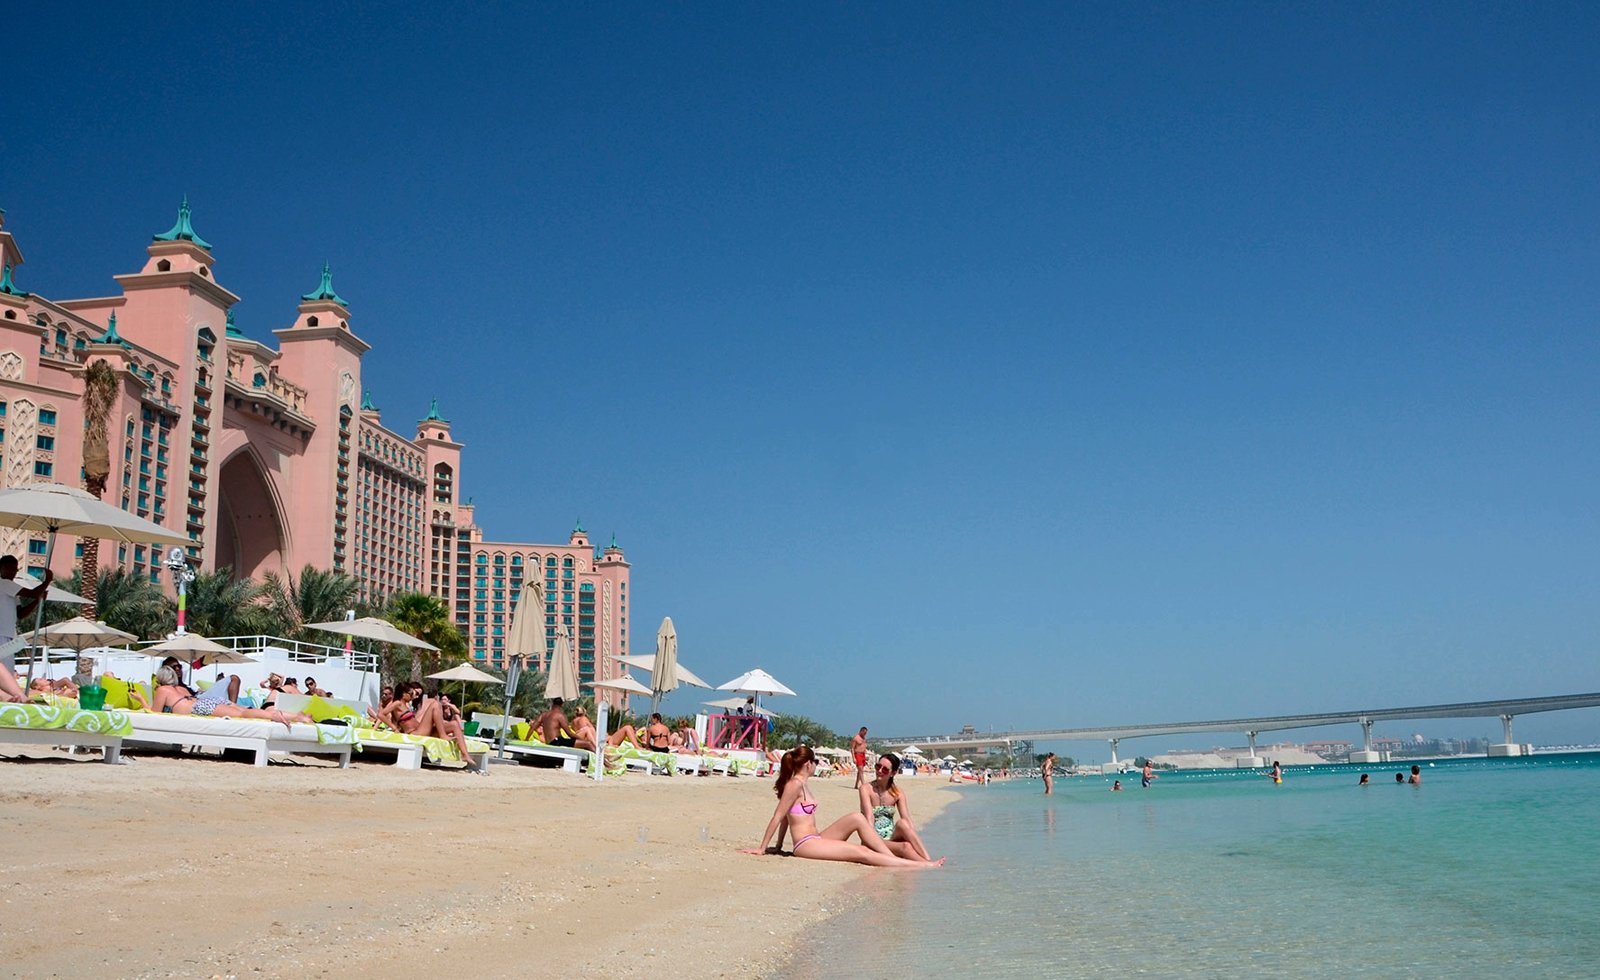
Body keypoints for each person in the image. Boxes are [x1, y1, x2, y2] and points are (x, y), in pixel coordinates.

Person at [743, 746, 942, 868]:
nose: (816, 765)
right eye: (815, 762)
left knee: (856, 817)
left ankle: (897, 859)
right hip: (805, 845)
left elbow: (787, 818)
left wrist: (778, 846)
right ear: (807, 764)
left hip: (817, 837)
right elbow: (778, 815)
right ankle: (913, 865)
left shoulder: (803, 784)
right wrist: (762, 848)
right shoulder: (794, 784)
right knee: (861, 853)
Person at [133, 664, 311, 731]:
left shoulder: (163, 690)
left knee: (244, 715)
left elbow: (155, 712)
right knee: (246, 711)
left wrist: (141, 699)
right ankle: (296, 716)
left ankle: (294, 717)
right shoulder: (179, 688)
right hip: (205, 701)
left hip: (201, 707)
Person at [859, 753, 934, 861]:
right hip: (872, 839)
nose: (879, 771)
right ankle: (929, 864)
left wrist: (913, 839)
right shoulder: (866, 789)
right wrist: (872, 842)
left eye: (885, 770)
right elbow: (869, 817)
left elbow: (907, 819)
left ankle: (928, 860)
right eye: (878, 766)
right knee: (906, 847)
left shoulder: (897, 793)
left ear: (893, 773)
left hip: (891, 838)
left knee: (903, 823)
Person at [0, 555, 51, 671]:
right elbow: (32, 593)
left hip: (8, 636)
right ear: (1, 568)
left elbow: (20, 614)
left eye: (14, 569)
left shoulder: (11, 591)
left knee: (8, 671)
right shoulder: (3, 583)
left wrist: (37, 601)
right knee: (5, 673)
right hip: (1, 634)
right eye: (8, 568)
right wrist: (47, 581)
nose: (12, 572)